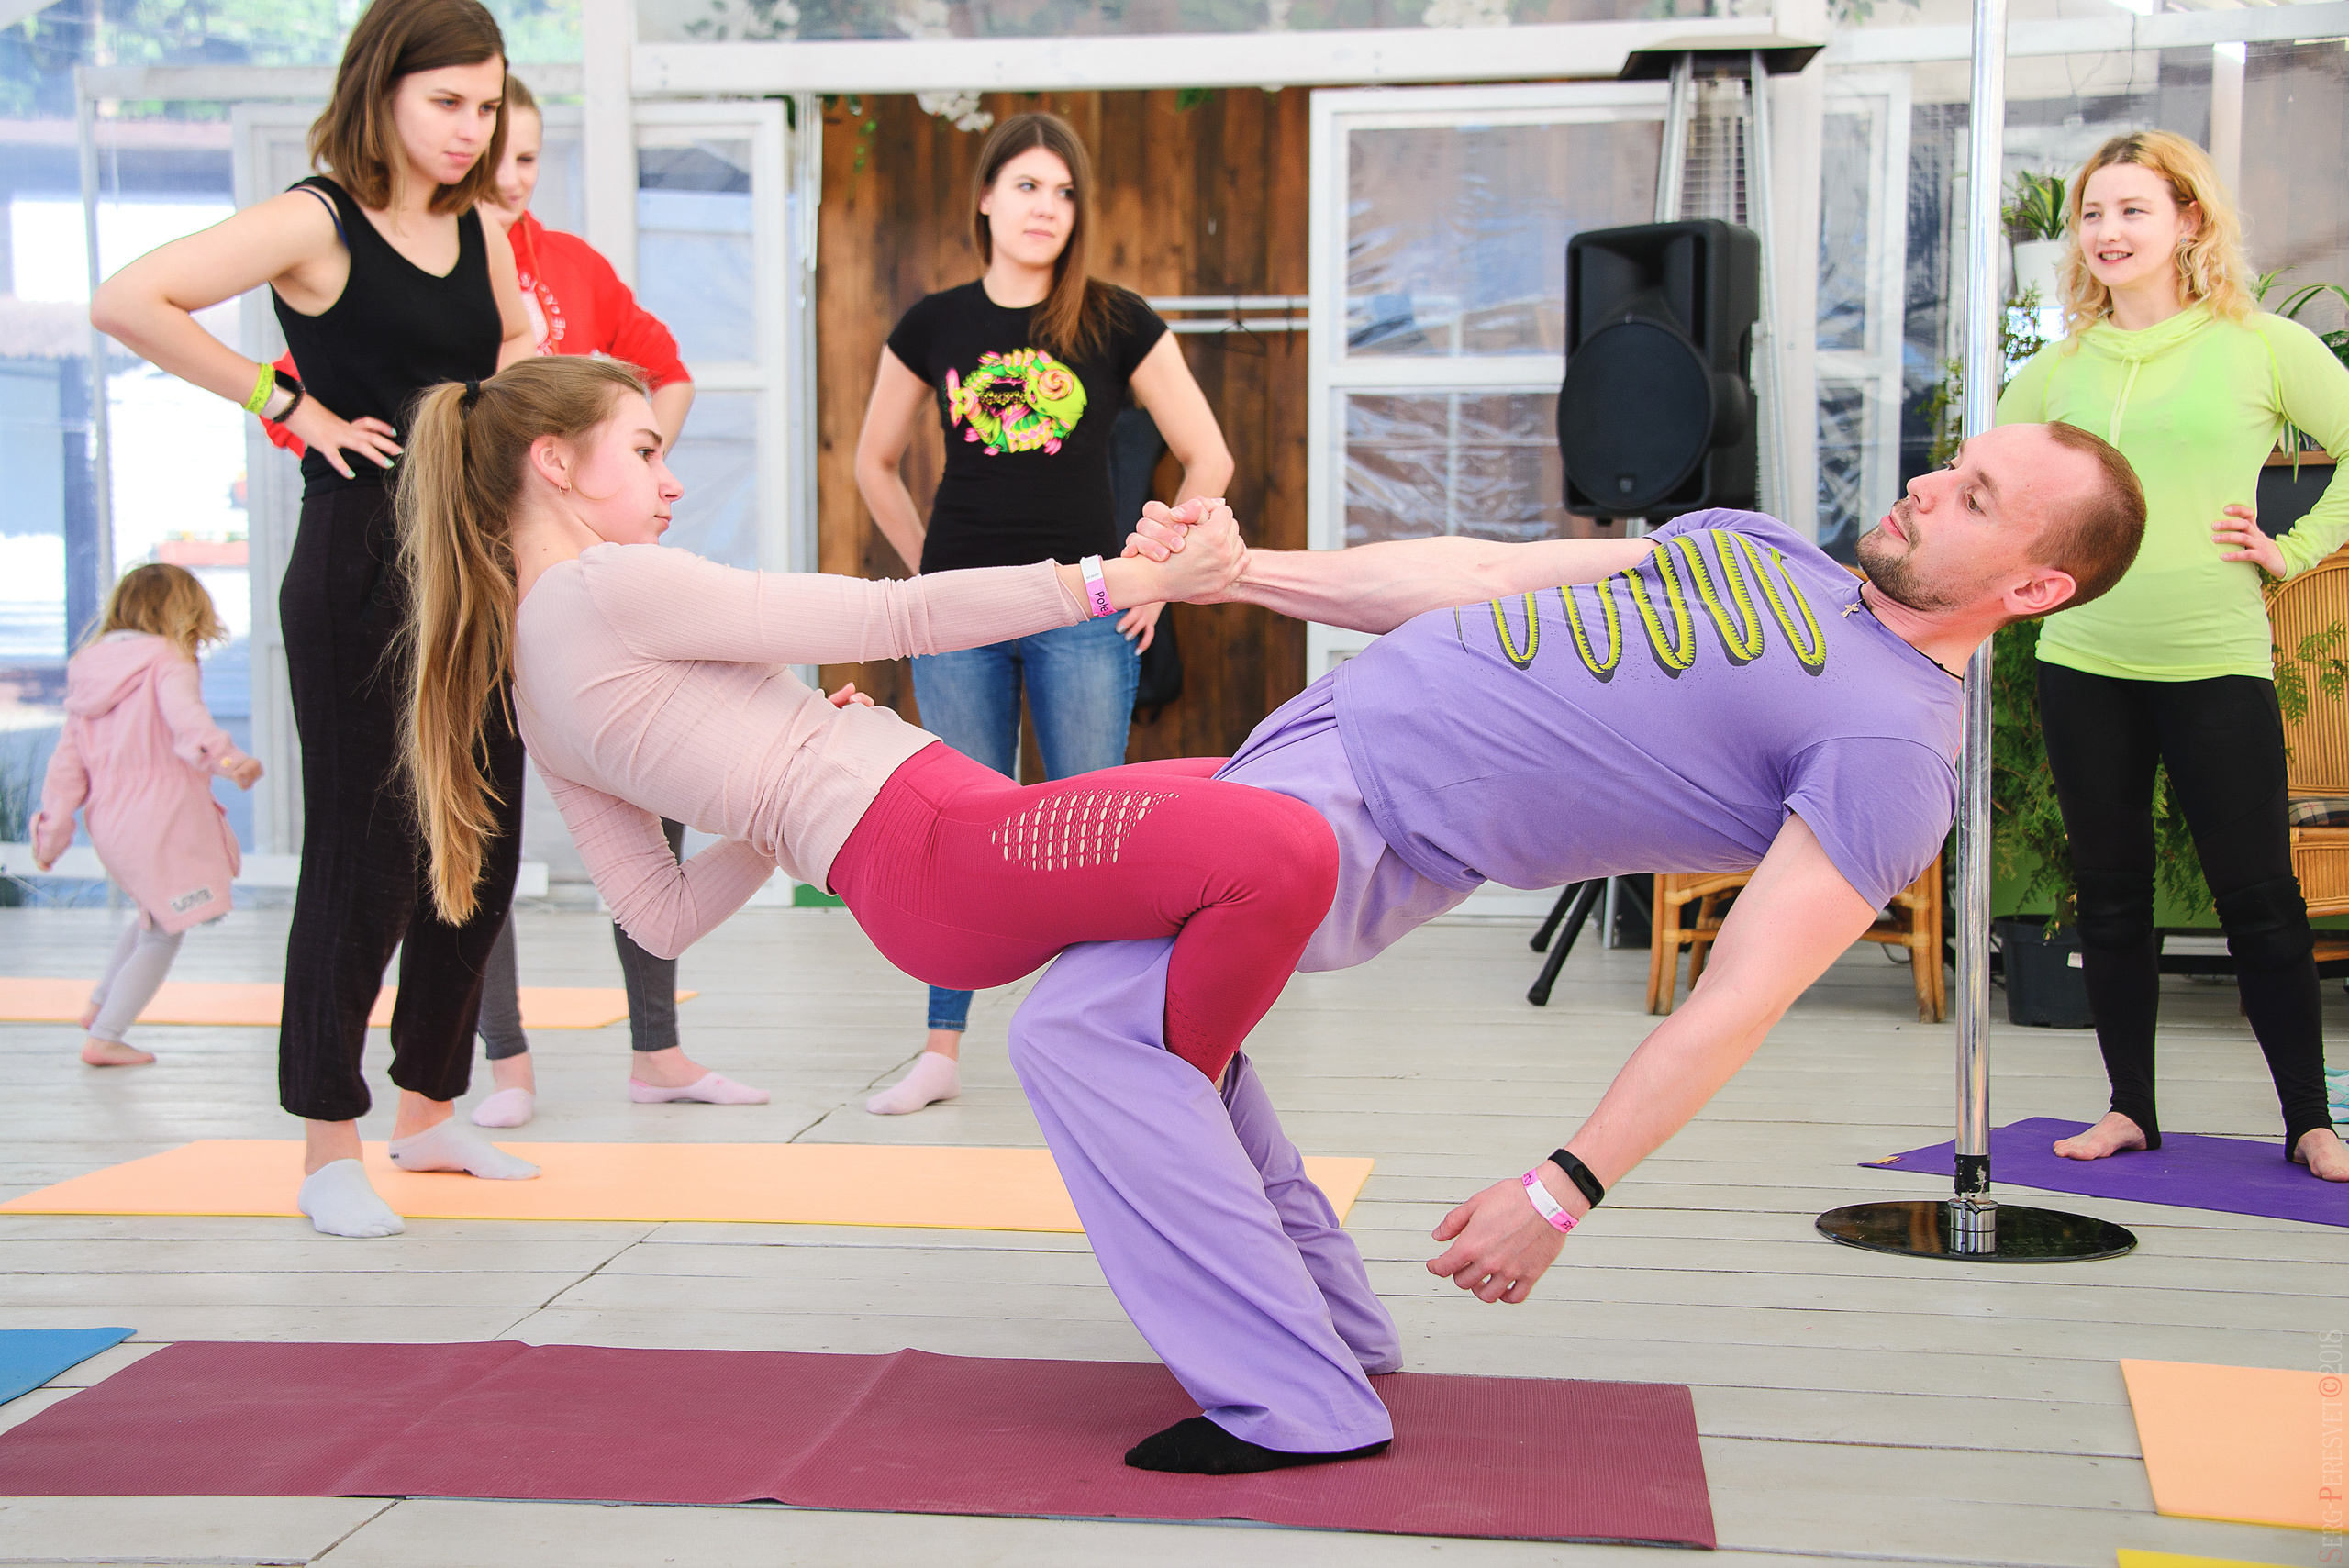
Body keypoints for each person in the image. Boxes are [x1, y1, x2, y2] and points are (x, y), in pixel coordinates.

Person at [1006, 418, 2150, 1475]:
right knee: (1157, 1034)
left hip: (1365, 825)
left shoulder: (1894, 749)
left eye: (1975, 498)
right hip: (1317, 735)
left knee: (1082, 1030)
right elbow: (1480, 575)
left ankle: (1296, 1401)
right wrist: (1232, 575)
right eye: (1953, 464)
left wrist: (1563, 1189)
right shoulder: (1763, 547)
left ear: (2036, 584)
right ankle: (1333, 1336)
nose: (1927, 484)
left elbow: (1738, 996)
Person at [396, 358, 1335, 1213]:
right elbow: (898, 612)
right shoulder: (603, 583)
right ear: (552, 461)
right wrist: (1126, 578)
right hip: (933, 848)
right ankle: (1177, 1143)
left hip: (917, 861)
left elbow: (658, 913)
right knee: (1278, 842)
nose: (669, 478)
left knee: (1261, 781)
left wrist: (770, 803)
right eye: (645, 450)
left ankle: (1194, 1132)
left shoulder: (530, 679)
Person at [91, 0, 538, 1240]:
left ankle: (430, 1109)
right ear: (385, 90)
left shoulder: (480, 229)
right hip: (358, 569)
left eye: (489, 104)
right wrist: (286, 405)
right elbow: (129, 299)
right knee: (369, 853)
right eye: (448, 101)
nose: (472, 127)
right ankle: (326, 1141)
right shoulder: (315, 219)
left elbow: (500, 364)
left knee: (482, 842)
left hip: (476, 567)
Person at [852, 110, 1234, 1116]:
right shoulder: (933, 324)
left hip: (1082, 608)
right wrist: (926, 580)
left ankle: (1103, 1042)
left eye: (1063, 193)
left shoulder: (1114, 318)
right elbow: (871, 464)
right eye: (1026, 185)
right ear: (985, 197)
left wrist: (1156, 567)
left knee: (1095, 831)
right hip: (958, 617)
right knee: (957, 829)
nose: (1045, 208)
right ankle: (940, 1049)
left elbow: (1211, 457)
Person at [1996, 131, 2349, 1182]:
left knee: (2259, 898)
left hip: (2212, 656)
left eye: (2132, 210)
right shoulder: (2058, 369)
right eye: (2092, 215)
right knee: (2108, 894)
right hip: (2084, 659)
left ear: (2188, 220)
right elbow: (1988, 486)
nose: (2108, 232)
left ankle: (2310, 1121)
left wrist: (2286, 547)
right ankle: (2130, 1109)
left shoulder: (2257, 346)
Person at [31, 565, 262, 1067]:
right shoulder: (168, 660)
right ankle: (107, 1036)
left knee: (153, 916)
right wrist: (231, 761)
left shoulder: (88, 667)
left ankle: (98, 1008)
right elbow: (188, 724)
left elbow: (67, 763)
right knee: (166, 929)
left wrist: (52, 832)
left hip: (111, 821)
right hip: (160, 816)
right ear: (184, 610)